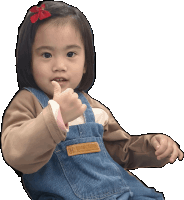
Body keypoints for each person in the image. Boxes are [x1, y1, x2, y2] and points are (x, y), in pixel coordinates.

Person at [1, 1, 183, 200]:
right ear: (29, 61)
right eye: (46, 54)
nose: (59, 65)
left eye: (71, 54)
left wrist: (153, 147)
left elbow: (120, 151)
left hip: (119, 193)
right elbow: (15, 152)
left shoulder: (94, 107)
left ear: (86, 63)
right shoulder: (28, 101)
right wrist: (55, 118)